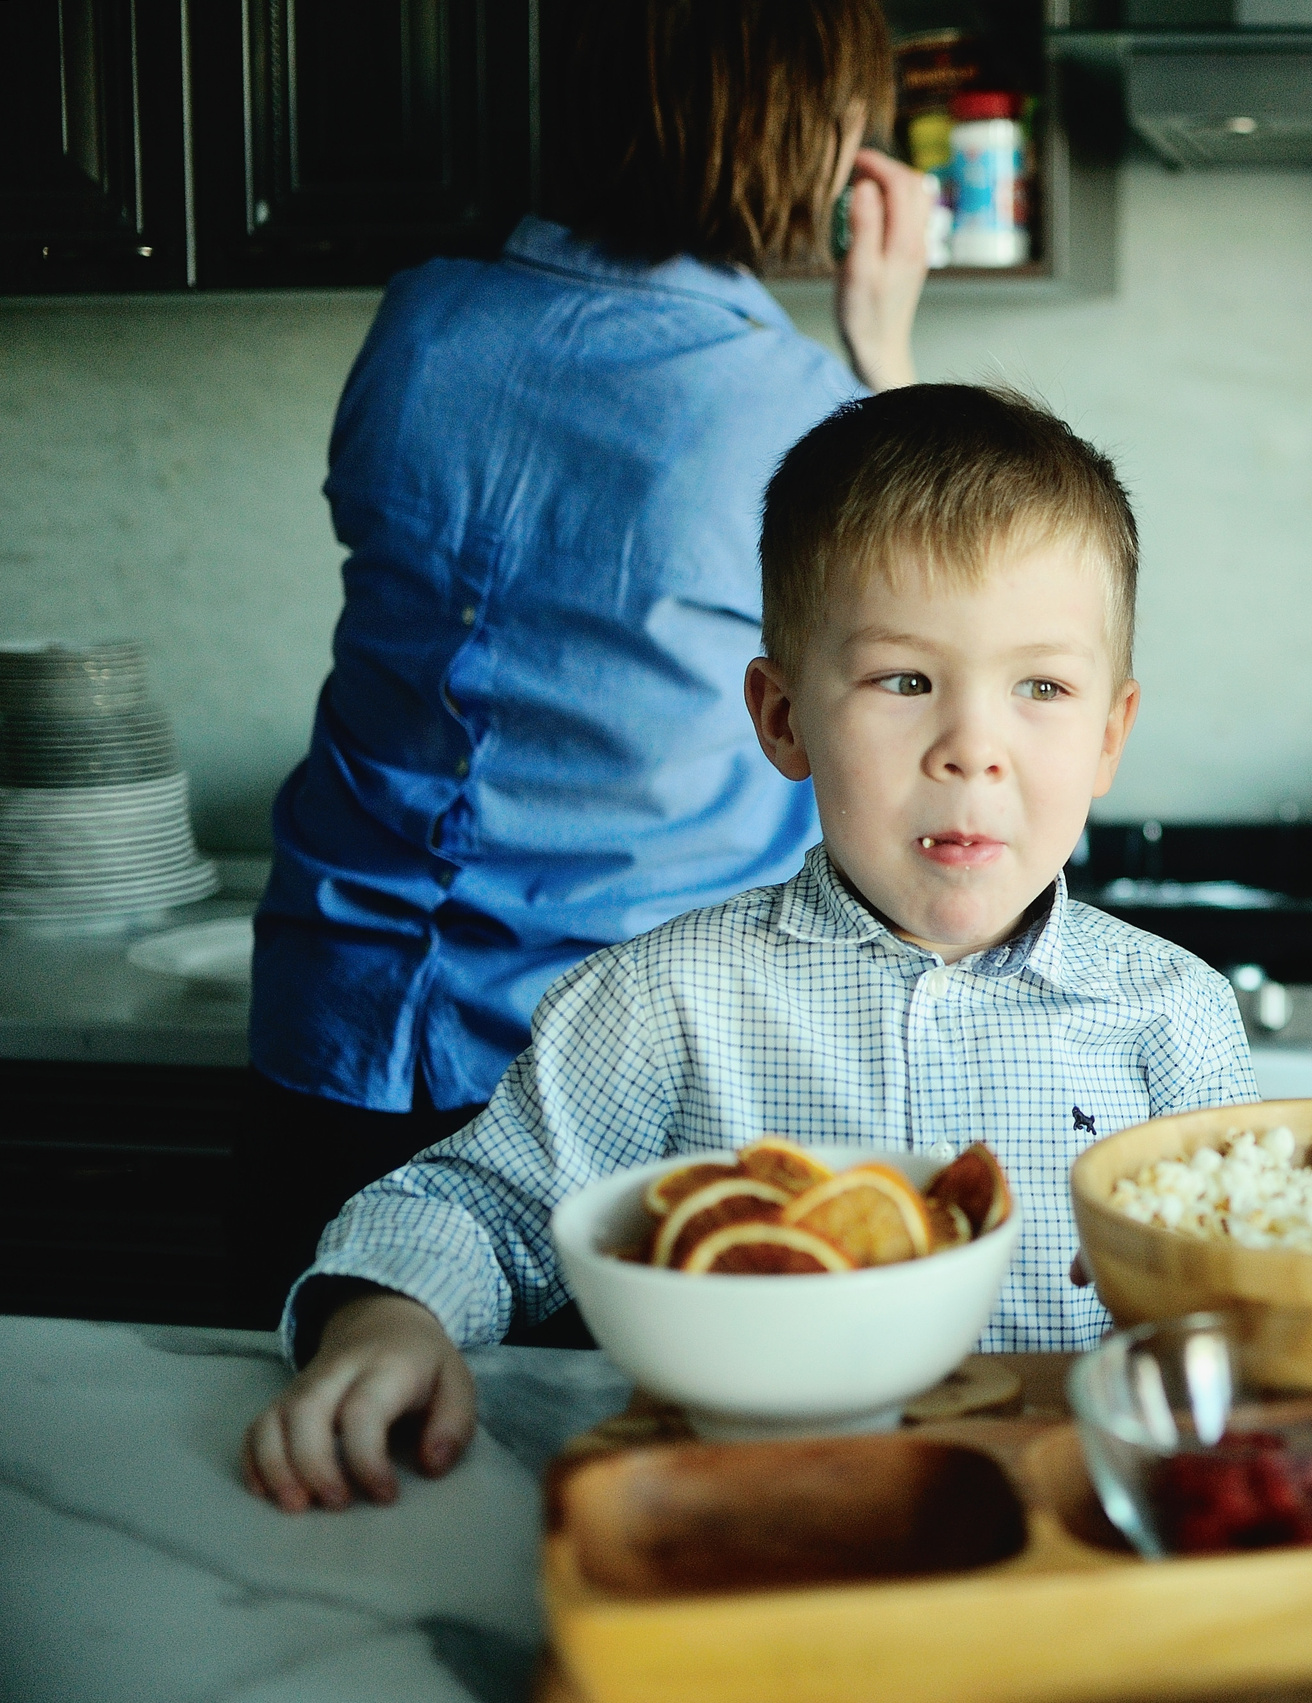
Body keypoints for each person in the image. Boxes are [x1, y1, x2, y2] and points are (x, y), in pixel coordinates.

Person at [241, 386, 1259, 1513]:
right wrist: (384, 1314)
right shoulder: (662, 1001)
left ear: (1109, 732)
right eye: (904, 680)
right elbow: (473, 1205)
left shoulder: (1173, 1017)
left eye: (1041, 687)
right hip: (752, 1526)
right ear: (782, 718)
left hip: (1069, 1547)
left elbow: (1245, 1304)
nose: (973, 748)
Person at [237, 0, 941, 1323]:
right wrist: (886, 347)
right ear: (817, 138)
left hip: (333, 1030)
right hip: (603, 1082)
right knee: (582, 1480)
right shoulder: (796, 411)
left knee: (322, 1473)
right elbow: (946, 680)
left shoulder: (420, 323)